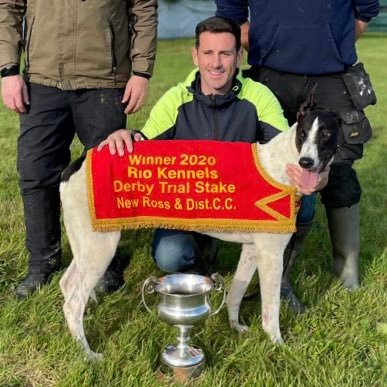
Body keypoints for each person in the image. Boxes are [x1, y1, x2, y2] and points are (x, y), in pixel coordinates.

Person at [99, 16, 326, 302]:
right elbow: (144, 147)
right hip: (188, 208)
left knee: (303, 200)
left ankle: (280, 279)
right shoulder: (175, 100)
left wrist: (317, 176)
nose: (216, 63)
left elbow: (289, 150)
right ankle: (200, 266)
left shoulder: (259, 96)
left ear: (239, 56)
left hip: (240, 203)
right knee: (169, 255)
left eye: (225, 53)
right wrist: (125, 135)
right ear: (195, 55)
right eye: (208, 53)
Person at [216, 0, 380, 311]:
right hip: (271, 76)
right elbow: (231, 12)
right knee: (265, 171)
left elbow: (366, 10)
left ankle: (347, 273)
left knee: (339, 169)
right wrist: (268, 41)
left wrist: (330, 44)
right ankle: (277, 278)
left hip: (331, 76)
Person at [0, 1, 158, 299]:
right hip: (42, 79)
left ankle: (106, 262)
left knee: (104, 177)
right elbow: (8, 6)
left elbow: (144, 7)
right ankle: (42, 263)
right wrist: (8, 69)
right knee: (35, 171)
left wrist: (141, 71)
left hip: (105, 80)